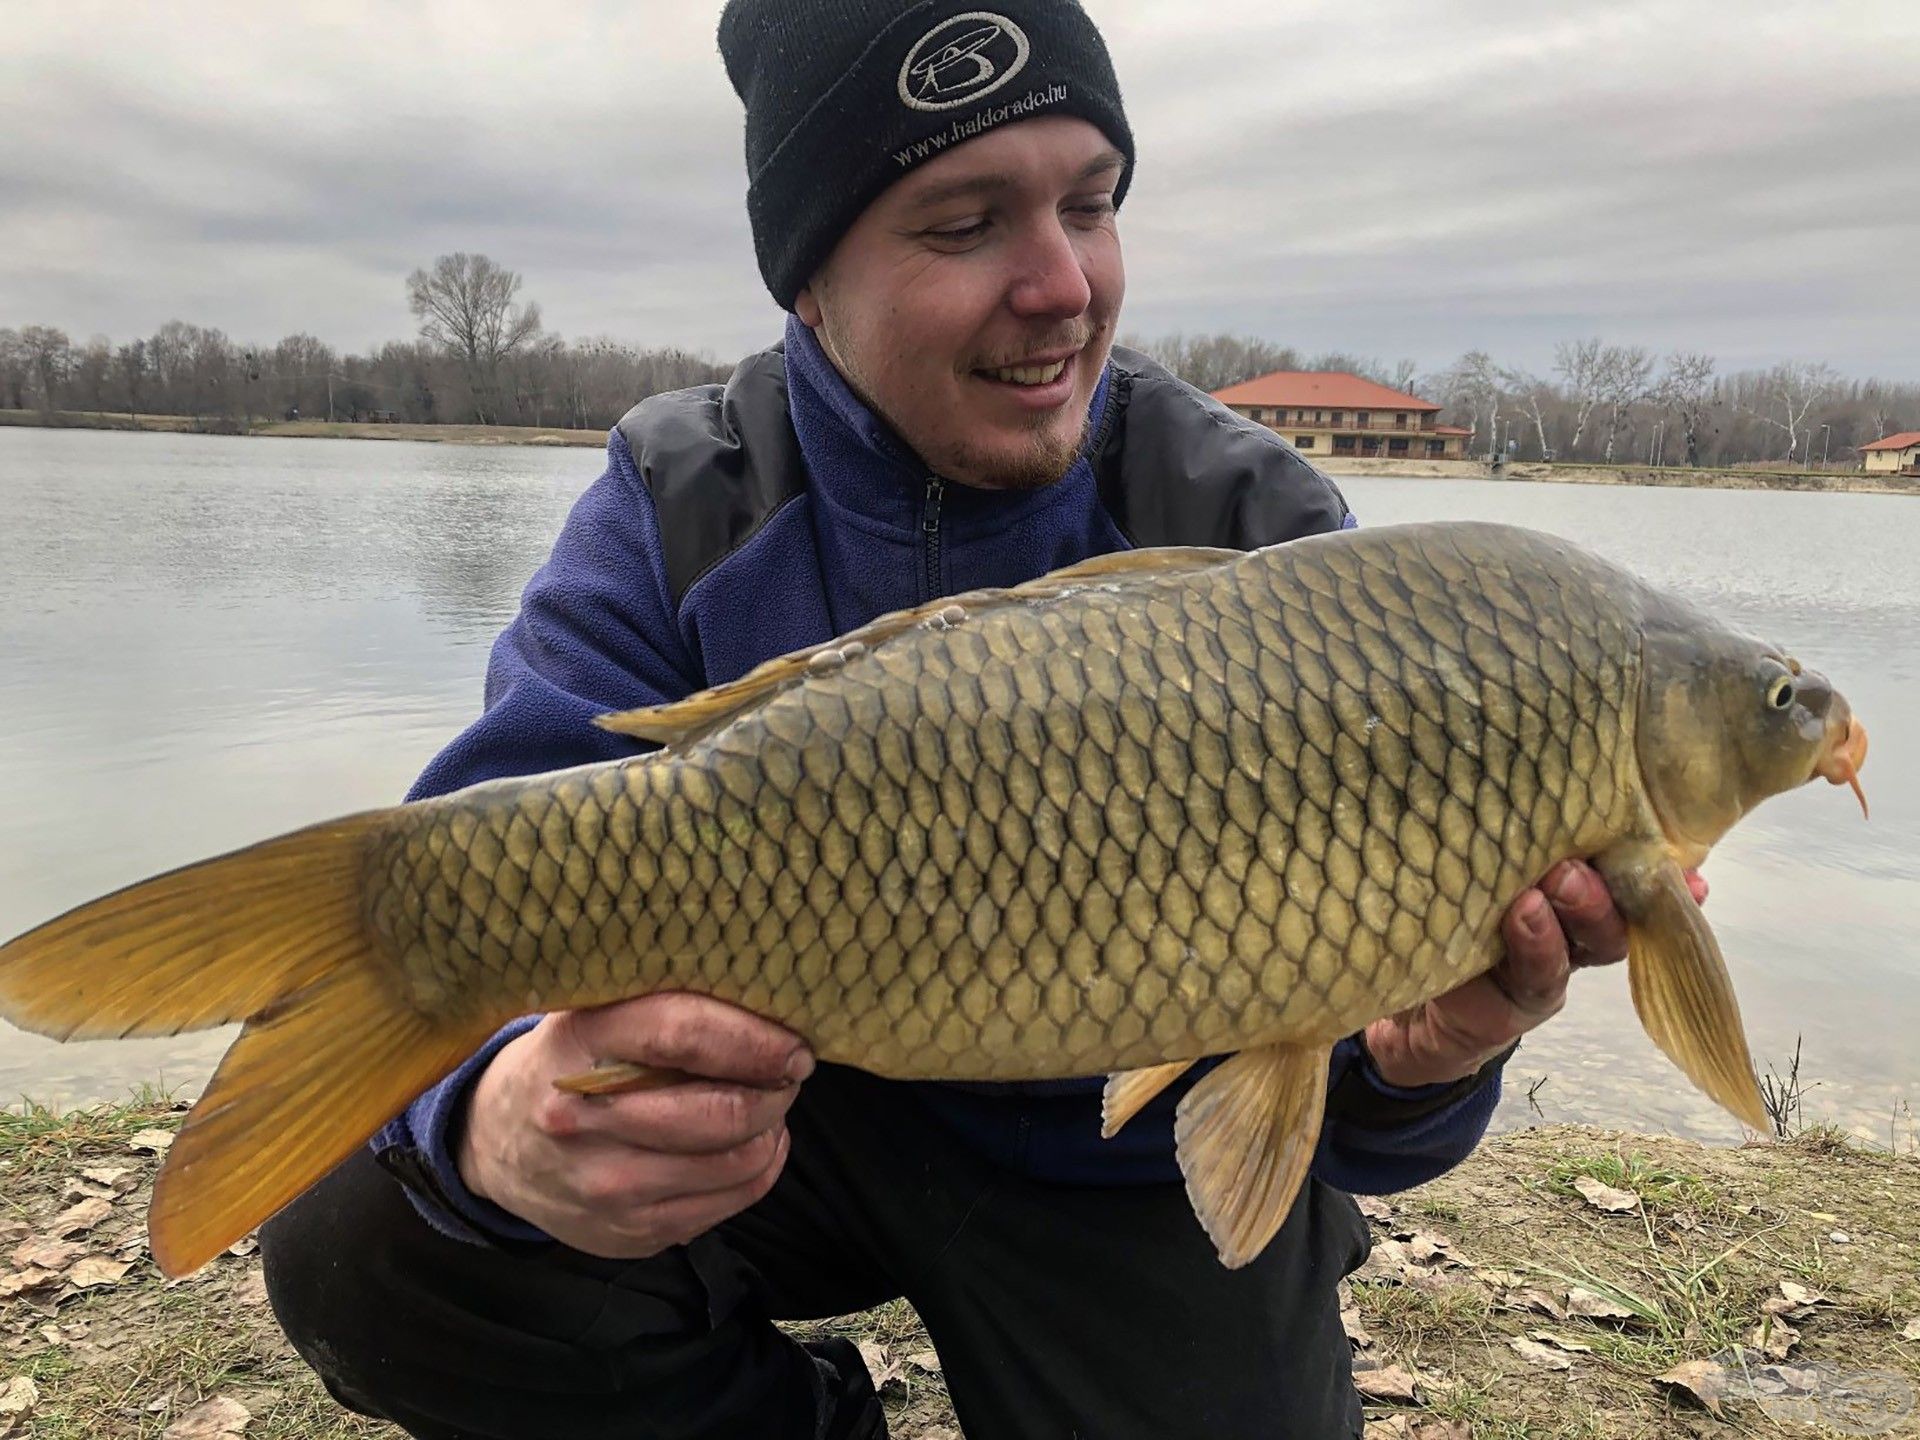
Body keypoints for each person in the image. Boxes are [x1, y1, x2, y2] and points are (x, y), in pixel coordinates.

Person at [261, 2, 1687, 1435]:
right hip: (787, 1121)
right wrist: (498, 1119)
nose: (1063, 284)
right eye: (965, 223)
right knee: (376, 1242)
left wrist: (1428, 1059)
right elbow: (473, 873)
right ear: (811, 278)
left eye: (1091, 204)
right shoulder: (688, 497)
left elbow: (1357, 1108)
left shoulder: (1259, 527)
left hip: (1123, 1171)